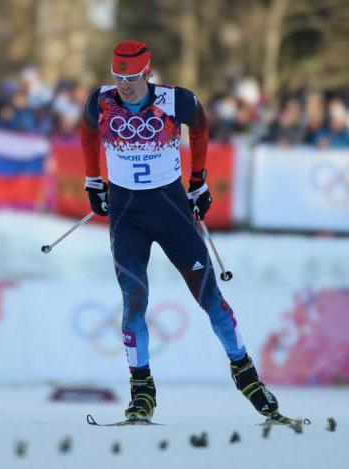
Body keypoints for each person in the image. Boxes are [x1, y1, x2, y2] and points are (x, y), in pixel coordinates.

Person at [80, 40, 280, 422]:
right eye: (119, 77)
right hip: (127, 216)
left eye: (133, 78)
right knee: (134, 301)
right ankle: (142, 391)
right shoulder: (100, 102)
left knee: (210, 298)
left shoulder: (177, 101)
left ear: (148, 73)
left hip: (171, 212)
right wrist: (93, 180)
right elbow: (88, 133)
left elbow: (201, 128)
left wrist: (199, 180)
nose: (125, 86)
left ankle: (245, 374)